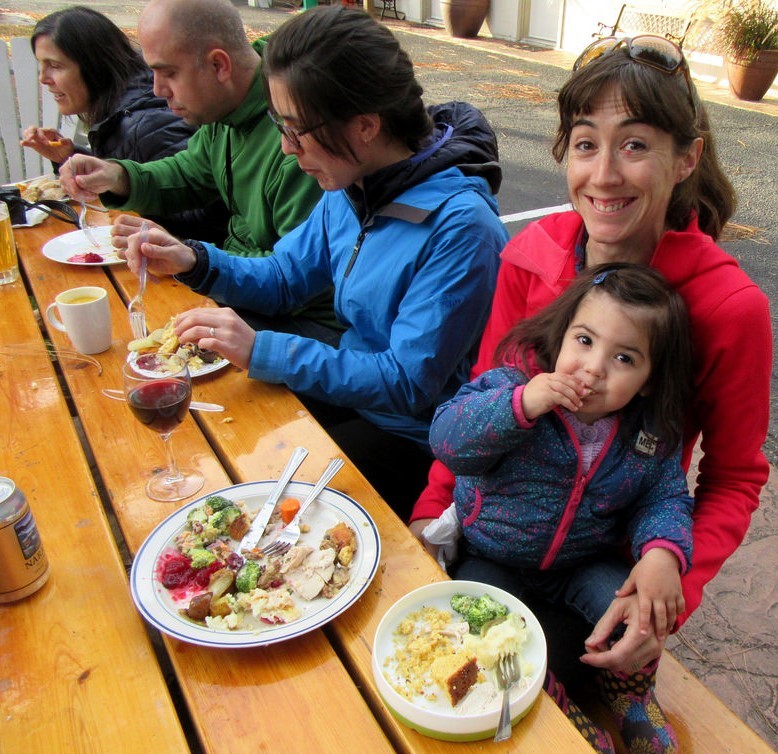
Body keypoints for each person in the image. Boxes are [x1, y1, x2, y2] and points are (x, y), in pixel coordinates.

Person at [410, 34, 771, 754]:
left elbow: (731, 477)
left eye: (634, 145)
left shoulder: (728, 306)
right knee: (474, 678)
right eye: (584, 144)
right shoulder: (529, 254)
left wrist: (669, 586)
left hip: (606, 559)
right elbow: (479, 402)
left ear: (687, 158)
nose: (603, 175)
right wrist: (431, 512)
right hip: (499, 541)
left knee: (556, 691)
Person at [117, 6, 508, 518]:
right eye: (280, 124)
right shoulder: (355, 185)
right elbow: (284, 278)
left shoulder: (461, 228)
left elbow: (407, 384)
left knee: (255, 506)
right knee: (214, 439)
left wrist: (264, 349)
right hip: (352, 398)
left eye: (297, 130)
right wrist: (194, 261)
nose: (284, 147)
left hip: (412, 438)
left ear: (366, 125)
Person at [430, 264, 694, 754]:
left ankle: (631, 694)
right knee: (483, 629)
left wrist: (663, 554)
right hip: (493, 555)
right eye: (585, 340)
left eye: (624, 357)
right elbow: (448, 440)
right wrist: (520, 405)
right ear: (562, 335)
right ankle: (552, 706)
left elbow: (664, 497)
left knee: (634, 608)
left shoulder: (649, 432)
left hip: (581, 559)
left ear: (646, 381)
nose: (594, 368)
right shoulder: (510, 385)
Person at [57, 0, 327, 324]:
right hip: (237, 293)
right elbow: (190, 172)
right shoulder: (225, 107)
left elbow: (296, 283)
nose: (158, 90)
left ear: (218, 65)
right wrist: (119, 176)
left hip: (298, 322)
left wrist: (190, 258)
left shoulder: (297, 146)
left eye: (168, 72)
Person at [21, 6, 227, 244]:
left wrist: (131, 203)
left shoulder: (145, 125)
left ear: (93, 67)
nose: (43, 78)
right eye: (41, 65)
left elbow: (207, 217)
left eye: (55, 65)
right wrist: (67, 156)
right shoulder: (119, 111)